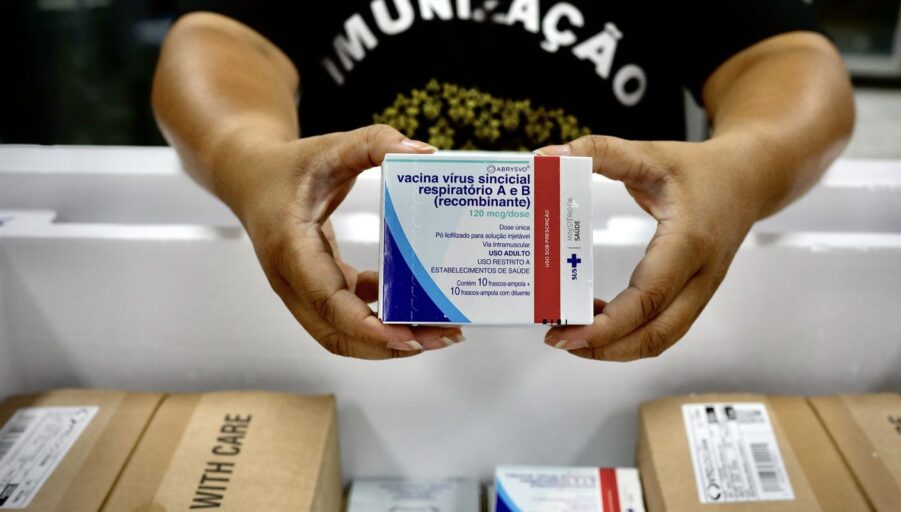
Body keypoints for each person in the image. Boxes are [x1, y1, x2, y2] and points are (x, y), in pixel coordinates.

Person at [152, 1, 854, 361]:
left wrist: (745, 165)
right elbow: (222, 38)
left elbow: (787, 58)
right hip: (357, 280)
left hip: (620, 279)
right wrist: (246, 156)